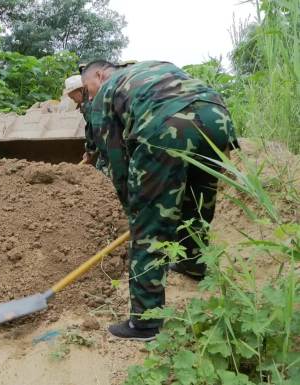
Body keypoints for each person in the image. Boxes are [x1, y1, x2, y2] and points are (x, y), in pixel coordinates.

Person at [81, 60, 238, 340]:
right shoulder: (153, 69)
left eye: (87, 88)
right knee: (197, 204)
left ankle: (145, 323)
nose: (89, 96)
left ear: (100, 75)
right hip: (217, 117)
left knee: (150, 228)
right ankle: (193, 263)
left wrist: (136, 209)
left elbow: (115, 158)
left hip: (168, 124)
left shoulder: (107, 91)